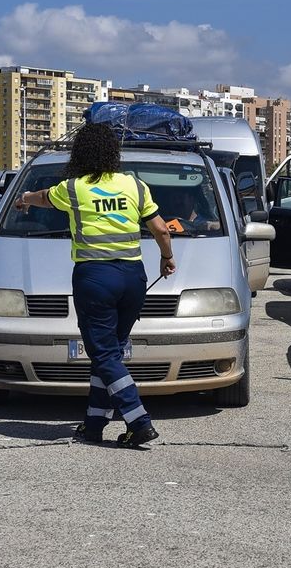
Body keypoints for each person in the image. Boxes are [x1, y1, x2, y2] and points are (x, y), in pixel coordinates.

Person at [13, 123, 176, 448]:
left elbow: (44, 198)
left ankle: (139, 420)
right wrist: (167, 258)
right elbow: (161, 229)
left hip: (96, 279)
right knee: (110, 354)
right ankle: (93, 425)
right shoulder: (134, 185)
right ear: (112, 152)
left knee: (103, 355)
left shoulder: (74, 188)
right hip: (133, 278)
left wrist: (24, 199)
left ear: (81, 152)